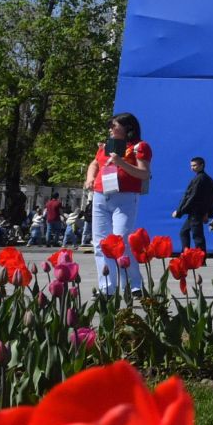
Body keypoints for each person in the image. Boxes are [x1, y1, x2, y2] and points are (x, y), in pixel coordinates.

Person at [86, 112, 152, 295]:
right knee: (100, 243)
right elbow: (94, 163)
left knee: (121, 239)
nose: (110, 129)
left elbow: (144, 173)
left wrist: (121, 163)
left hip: (125, 197)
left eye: (114, 126)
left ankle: (134, 285)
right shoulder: (107, 145)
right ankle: (106, 287)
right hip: (101, 195)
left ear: (127, 128)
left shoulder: (140, 147)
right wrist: (90, 177)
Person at [172, 157, 213, 254]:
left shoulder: (200, 179)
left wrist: (179, 211)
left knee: (197, 236)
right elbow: (212, 198)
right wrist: (208, 213)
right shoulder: (206, 179)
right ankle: (186, 254)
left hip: (196, 212)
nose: (192, 167)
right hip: (198, 212)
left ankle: (200, 259)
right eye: (191, 166)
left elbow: (191, 197)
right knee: (184, 232)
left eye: (195, 165)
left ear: (202, 165)